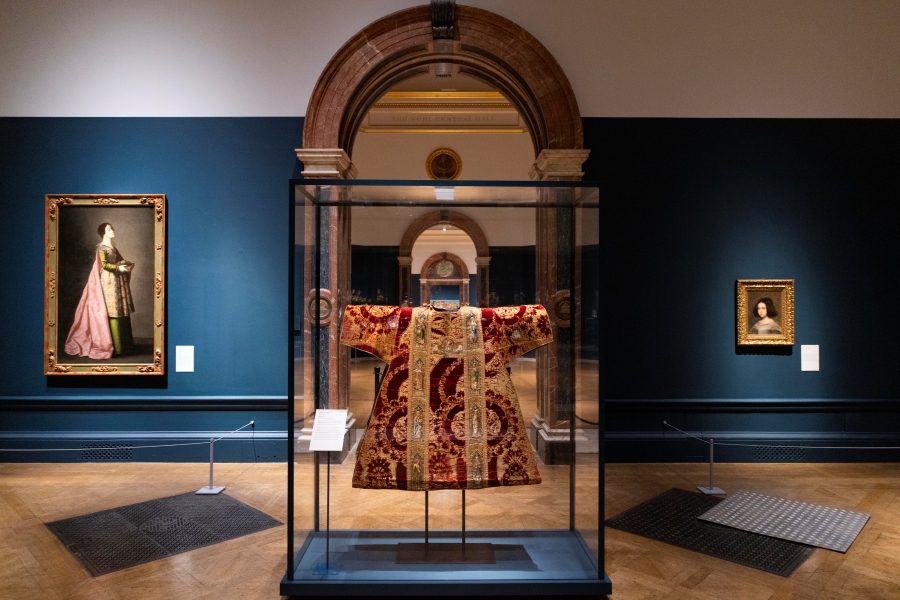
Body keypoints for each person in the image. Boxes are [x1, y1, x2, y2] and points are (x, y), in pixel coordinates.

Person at [65, 223, 135, 358]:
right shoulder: (101, 247)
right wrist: (118, 268)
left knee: (120, 309)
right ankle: (115, 347)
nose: (112, 231)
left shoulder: (112, 247)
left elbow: (118, 260)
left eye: (112, 228)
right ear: (103, 233)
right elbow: (106, 265)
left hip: (118, 280)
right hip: (108, 281)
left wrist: (126, 264)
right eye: (109, 229)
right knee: (112, 310)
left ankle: (125, 345)